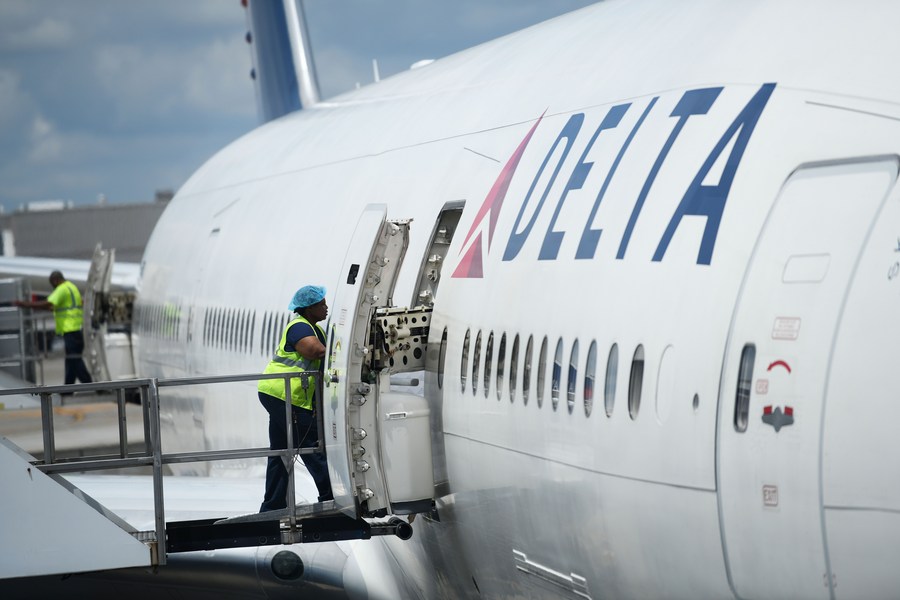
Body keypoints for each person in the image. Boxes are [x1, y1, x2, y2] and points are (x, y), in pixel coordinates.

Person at [257, 284, 333, 512]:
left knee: (280, 450)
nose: (326, 307)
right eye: (321, 304)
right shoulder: (299, 327)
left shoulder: (313, 328)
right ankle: (329, 497)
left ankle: (272, 506)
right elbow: (315, 351)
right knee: (310, 444)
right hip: (283, 395)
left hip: (281, 394)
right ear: (309, 308)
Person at [16, 271, 93, 386]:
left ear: (56, 280)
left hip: (70, 329)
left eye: (52, 284)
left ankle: (90, 384)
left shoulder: (62, 289)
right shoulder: (72, 287)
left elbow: (47, 303)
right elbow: (56, 308)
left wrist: (26, 304)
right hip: (76, 328)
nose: (53, 287)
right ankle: (68, 388)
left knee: (75, 360)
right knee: (71, 360)